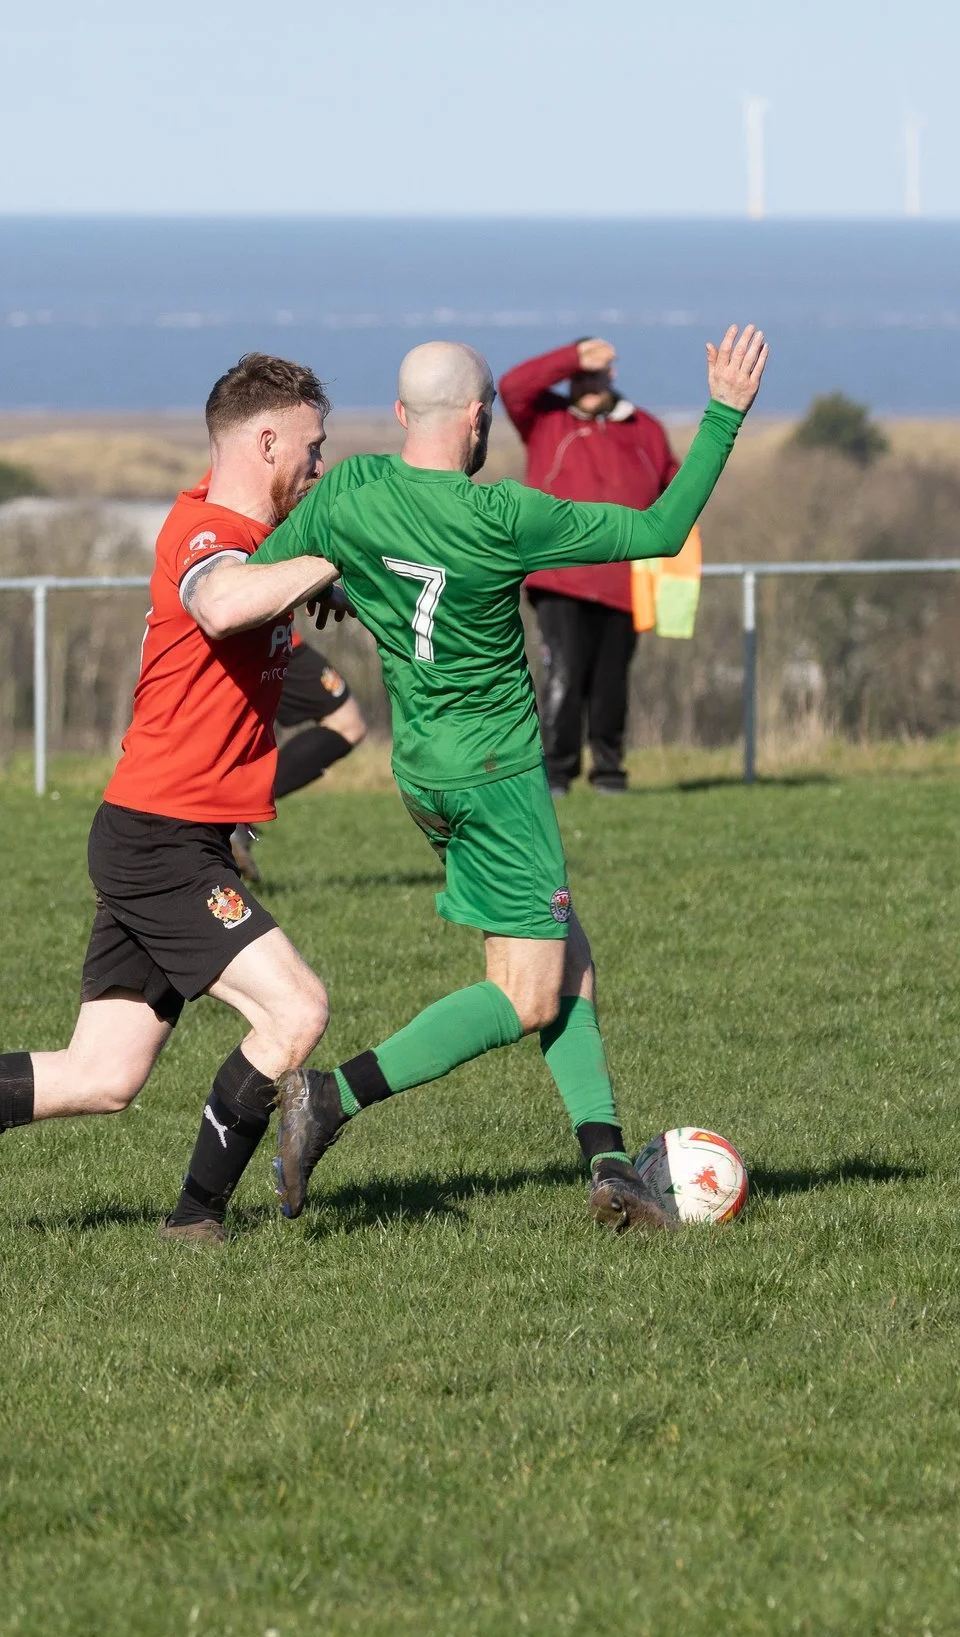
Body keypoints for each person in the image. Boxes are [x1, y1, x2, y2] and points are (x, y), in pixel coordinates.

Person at [0, 354, 345, 1247]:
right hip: (162, 842)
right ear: (266, 438)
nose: (319, 468)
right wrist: (324, 560)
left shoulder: (265, 533)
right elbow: (222, 605)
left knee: (102, 1074)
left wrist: (327, 572)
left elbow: (268, 584)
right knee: (297, 1010)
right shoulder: (205, 530)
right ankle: (195, 1222)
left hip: (155, 835)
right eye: (312, 450)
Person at [234, 325, 769, 1234]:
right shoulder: (506, 518)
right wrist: (723, 413)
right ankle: (332, 1097)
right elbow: (663, 529)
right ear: (478, 421)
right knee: (526, 994)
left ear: (402, 413)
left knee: (571, 964)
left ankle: (608, 1165)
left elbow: (268, 573)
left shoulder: (354, 488)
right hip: (498, 777)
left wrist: (345, 588)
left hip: (423, 774)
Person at [500, 337, 678, 796]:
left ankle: (610, 773)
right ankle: (556, 775)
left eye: (595, 376)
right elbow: (513, 386)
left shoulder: (646, 429)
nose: (588, 385)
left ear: (612, 377)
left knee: (611, 682)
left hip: (625, 579)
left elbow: (675, 489)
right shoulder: (546, 419)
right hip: (560, 577)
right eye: (580, 377)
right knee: (564, 673)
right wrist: (573, 356)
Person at [226, 632, 367, 886]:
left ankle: (236, 815)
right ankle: (231, 817)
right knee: (346, 723)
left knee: (346, 723)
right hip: (255, 630)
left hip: (268, 635)